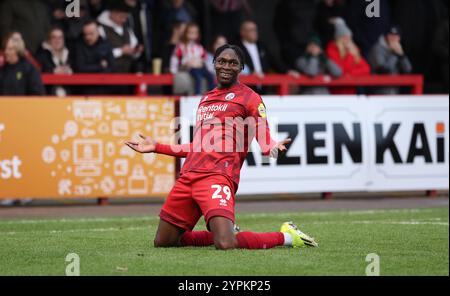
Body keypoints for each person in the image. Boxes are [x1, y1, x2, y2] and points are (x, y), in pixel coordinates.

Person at [125, 44, 318, 250]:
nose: (226, 66)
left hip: (216, 176)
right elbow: (199, 146)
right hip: (188, 176)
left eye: (233, 63)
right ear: (214, 64)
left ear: (241, 68)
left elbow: (263, 134)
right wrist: (157, 146)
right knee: (164, 242)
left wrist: (271, 146)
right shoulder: (206, 99)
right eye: (222, 61)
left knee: (225, 244)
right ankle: (224, 231)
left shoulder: (249, 98)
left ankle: (287, 236)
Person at [97, 0, 144, 73]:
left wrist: (136, 50)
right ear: (113, 13)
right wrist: (121, 51)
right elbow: (98, 52)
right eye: (121, 17)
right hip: (108, 74)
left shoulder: (127, 29)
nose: (124, 20)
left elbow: (134, 49)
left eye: (125, 17)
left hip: (127, 73)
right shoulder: (100, 29)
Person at [326, 18, 370, 94]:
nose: (348, 40)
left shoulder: (353, 50)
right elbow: (340, 71)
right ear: (339, 39)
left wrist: (350, 74)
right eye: (345, 38)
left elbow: (366, 69)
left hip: (351, 91)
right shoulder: (331, 50)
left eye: (349, 38)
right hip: (336, 91)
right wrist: (349, 55)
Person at [170, 22, 215, 95]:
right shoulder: (181, 46)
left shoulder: (199, 47)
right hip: (189, 67)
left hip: (200, 67)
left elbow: (205, 58)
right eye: (190, 33)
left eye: (195, 33)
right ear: (185, 33)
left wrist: (203, 64)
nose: (193, 35)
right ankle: (197, 94)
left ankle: (212, 94)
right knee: (198, 78)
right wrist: (174, 70)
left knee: (210, 76)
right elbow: (175, 58)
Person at [73, 20, 115, 94]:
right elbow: (80, 68)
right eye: (85, 34)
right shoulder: (78, 45)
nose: (88, 37)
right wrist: (100, 66)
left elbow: (112, 67)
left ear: (98, 31)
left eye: (91, 34)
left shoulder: (106, 44)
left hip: (104, 87)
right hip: (84, 88)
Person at [368, 26, 413, 94]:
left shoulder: (398, 49)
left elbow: (408, 70)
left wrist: (401, 56)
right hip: (379, 92)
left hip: (395, 91)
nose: (393, 38)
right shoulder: (377, 48)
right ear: (386, 36)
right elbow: (383, 70)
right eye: (391, 35)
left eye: (396, 36)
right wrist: (395, 54)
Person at [36, 27, 74, 96]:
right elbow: (38, 73)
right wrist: (54, 71)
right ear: (49, 40)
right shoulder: (42, 55)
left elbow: (78, 68)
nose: (57, 40)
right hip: (49, 95)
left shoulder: (70, 53)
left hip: (70, 95)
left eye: (60, 37)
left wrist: (69, 71)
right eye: (54, 37)